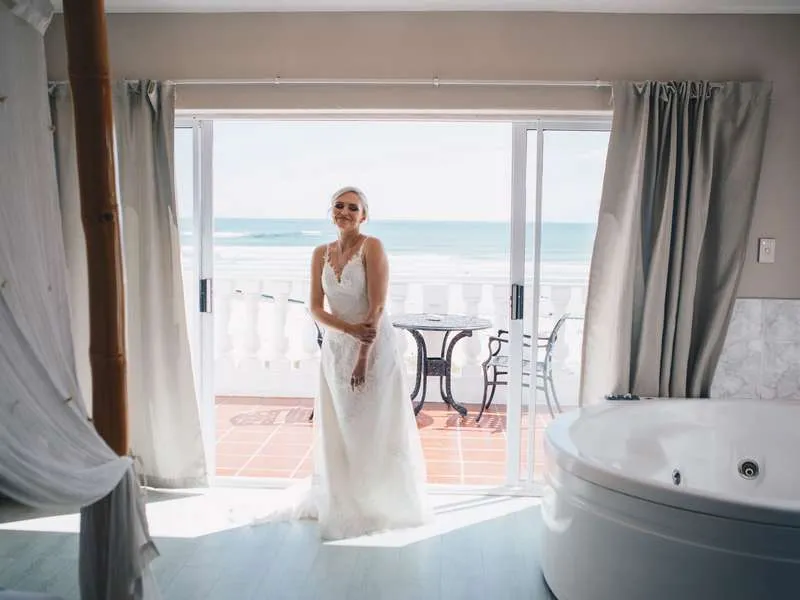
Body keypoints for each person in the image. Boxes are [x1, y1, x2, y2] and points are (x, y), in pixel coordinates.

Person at [255, 186, 432, 540]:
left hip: (373, 347)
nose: (345, 211)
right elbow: (316, 308)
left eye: (353, 207)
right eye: (339, 205)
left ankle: (377, 501)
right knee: (340, 423)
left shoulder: (372, 246)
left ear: (363, 216)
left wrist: (363, 355)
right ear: (331, 211)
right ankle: (343, 497)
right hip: (336, 348)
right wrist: (347, 334)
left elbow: (377, 307)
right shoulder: (319, 253)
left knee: (373, 422)